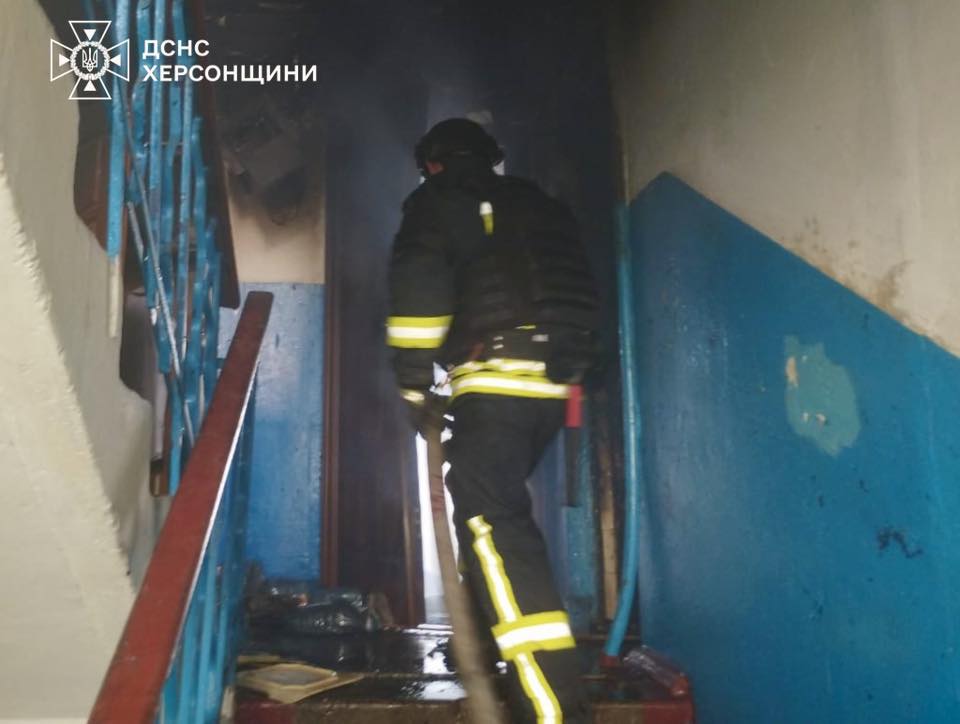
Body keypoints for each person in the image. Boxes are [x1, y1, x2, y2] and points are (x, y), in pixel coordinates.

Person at [386, 117, 599, 723]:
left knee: (491, 521)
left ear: (432, 164)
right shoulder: (537, 205)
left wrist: (411, 382)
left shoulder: (437, 202)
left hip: (497, 376)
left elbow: (419, 291)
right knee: (489, 506)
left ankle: (552, 705)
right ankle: (475, 639)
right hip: (557, 382)